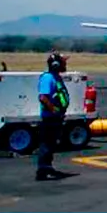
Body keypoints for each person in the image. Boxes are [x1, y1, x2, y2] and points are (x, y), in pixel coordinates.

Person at [36, 51, 70, 181]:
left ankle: (48, 167)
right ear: (56, 64)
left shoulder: (56, 77)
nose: (65, 64)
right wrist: (54, 109)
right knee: (46, 143)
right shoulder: (48, 78)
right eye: (63, 62)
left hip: (56, 117)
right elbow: (43, 97)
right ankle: (43, 170)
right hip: (50, 117)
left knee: (51, 143)